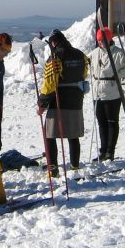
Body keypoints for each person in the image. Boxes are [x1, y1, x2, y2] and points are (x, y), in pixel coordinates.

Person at [38, 29, 87, 172]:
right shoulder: (81, 55)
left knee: (49, 134)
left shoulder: (55, 57)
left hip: (58, 100)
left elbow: (49, 82)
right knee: (73, 135)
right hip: (76, 100)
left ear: (53, 42)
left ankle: (53, 168)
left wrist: (42, 103)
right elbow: (84, 74)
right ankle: (75, 166)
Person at [89, 28, 125, 161]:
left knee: (112, 122)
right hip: (97, 93)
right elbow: (90, 68)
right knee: (101, 123)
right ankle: (103, 151)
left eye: (103, 40)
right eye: (99, 40)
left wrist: (119, 75)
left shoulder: (119, 53)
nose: (101, 43)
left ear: (109, 39)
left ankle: (110, 151)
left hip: (112, 93)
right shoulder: (94, 53)